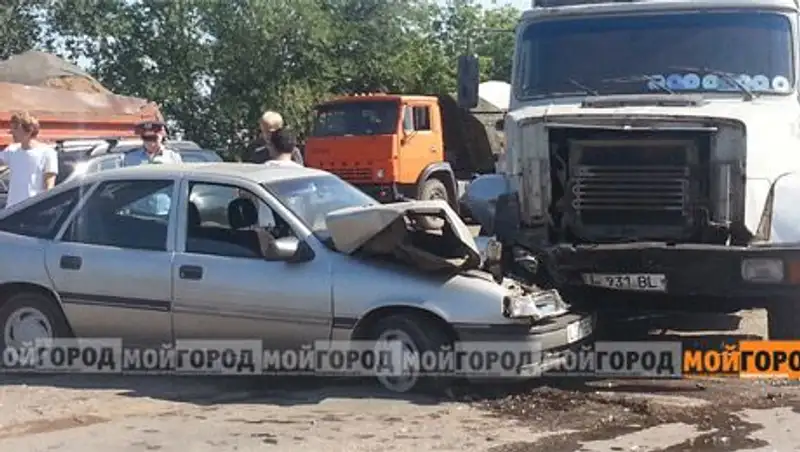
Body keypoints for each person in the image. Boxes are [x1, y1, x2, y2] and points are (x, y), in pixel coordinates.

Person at [0, 111, 59, 208]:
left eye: (16, 128)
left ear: (29, 130)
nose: (11, 132)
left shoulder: (47, 153)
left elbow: (49, 187)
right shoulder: (11, 150)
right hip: (11, 210)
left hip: (32, 210)